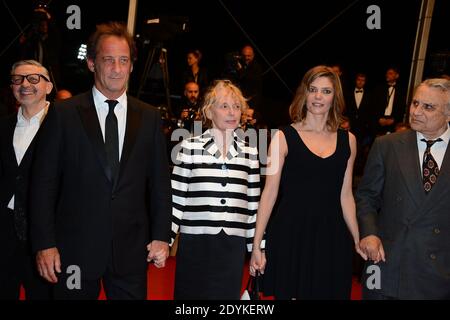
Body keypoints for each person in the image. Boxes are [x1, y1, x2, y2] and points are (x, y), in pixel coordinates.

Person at [29, 22, 172, 300]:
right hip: (74, 252)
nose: (117, 69)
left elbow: (159, 184)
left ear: (131, 65)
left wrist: (161, 235)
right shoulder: (63, 114)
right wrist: (44, 243)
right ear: (93, 63)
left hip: (131, 252)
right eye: (108, 60)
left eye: (123, 60)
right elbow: (43, 184)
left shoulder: (150, 117)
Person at [250, 65, 366, 300]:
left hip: (331, 235)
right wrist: (256, 245)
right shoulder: (282, 137)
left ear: (335, 97)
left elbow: (345, 195)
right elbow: (269, 193)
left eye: (326, 91)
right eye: (313, 89)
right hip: (291, 233)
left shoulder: (349, 141)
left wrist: (357, 238)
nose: (318, 97)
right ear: (305, 93)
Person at [356, 78, 450, 300]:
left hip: (438, 272)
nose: (416, 111)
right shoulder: (386, 145)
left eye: (428, 107)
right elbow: (367, 196)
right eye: (415, 103)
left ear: (448, 114)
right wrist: (369, 233)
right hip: (384, 263)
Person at [171, 80, 260, 299]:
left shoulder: (251, 153)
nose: (232, 112)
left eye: (237, 106)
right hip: (194, 244)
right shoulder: (188, 147)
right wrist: (165, 239)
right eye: (224, 106)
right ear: (209, 111)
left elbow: (253, 208)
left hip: (232, 247)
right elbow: (176, 199)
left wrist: (258, 248)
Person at [0, 60, 53, 299]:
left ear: (48, 86)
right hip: (4, 229)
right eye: (17, 79)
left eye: (33, 79)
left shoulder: (66, 125)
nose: (24, 85)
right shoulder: (3, 125)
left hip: (44, 231)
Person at [371, 67, 406, 136]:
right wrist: (379, 119)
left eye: (390, 73)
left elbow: (401, 108)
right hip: (379, 121)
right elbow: (373, 106)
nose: (387, 75)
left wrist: (394, 120)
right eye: (387, 73)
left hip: (393, 122)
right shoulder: (379, 88)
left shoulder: (401, 90)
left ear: (397, 76)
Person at [236, 45, 263, 111]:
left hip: (251, 99)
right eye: (244, 56)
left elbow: (252, 81)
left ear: (253, 55)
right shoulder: (240, 63)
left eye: (248, 56)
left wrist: (241, 70)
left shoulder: (256, 67)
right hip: (239, 97)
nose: (246, 58)